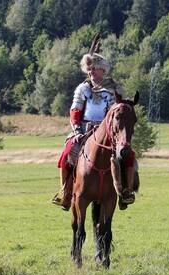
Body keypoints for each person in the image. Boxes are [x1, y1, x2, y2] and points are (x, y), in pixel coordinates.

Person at [51, 40, 136, 211]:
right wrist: (76, 130)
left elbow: (117, 113)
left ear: (102, 70)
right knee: (67, 152)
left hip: (107, 131)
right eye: (88, 68)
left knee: (128, 156)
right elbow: (75, 110)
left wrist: (114, 132)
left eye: (94, 68)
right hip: (83, 129)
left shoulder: (113, 89)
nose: (90, 71)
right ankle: (65, 193)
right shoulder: (82, 88)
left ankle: (125, 192)